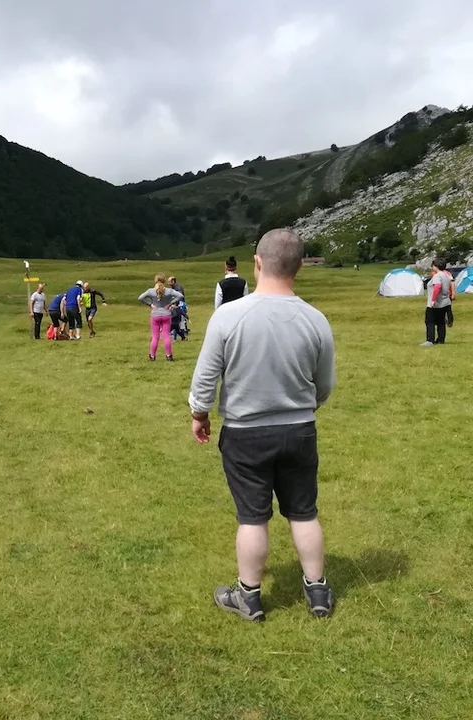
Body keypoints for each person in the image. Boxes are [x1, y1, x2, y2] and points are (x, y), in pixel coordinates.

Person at [189, 228, 336, 623]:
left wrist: (199, 414)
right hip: (299, 429)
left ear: (256, 263)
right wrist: (305, 407)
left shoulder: (228, 316)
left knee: (252, 517)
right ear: (299, 267)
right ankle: (317, 591)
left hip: (244, 433)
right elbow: (324, 384)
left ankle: (249, 597)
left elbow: (205, 378)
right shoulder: (316, 319)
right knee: (304, 512)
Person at [138, 273, 184, 362]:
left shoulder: (151, 291)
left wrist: (150, 304)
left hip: (155, 315)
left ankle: (152, 356)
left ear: (155, 281)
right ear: (164, 281)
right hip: (166, 314)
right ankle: (169, 355)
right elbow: (180, 296)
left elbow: (140, 298)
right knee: (166, 336)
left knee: (155, 337)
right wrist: (170, 303)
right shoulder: (169, 291)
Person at [421, 257, 452, 346]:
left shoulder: (437, 276)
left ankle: (430, 340)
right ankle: (441, 339)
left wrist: (433, 300)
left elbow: (437, 287)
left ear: (436, 266)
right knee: (441, 322)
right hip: (445, 302)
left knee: (429, 321)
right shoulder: (446, 275)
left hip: (436, 303)